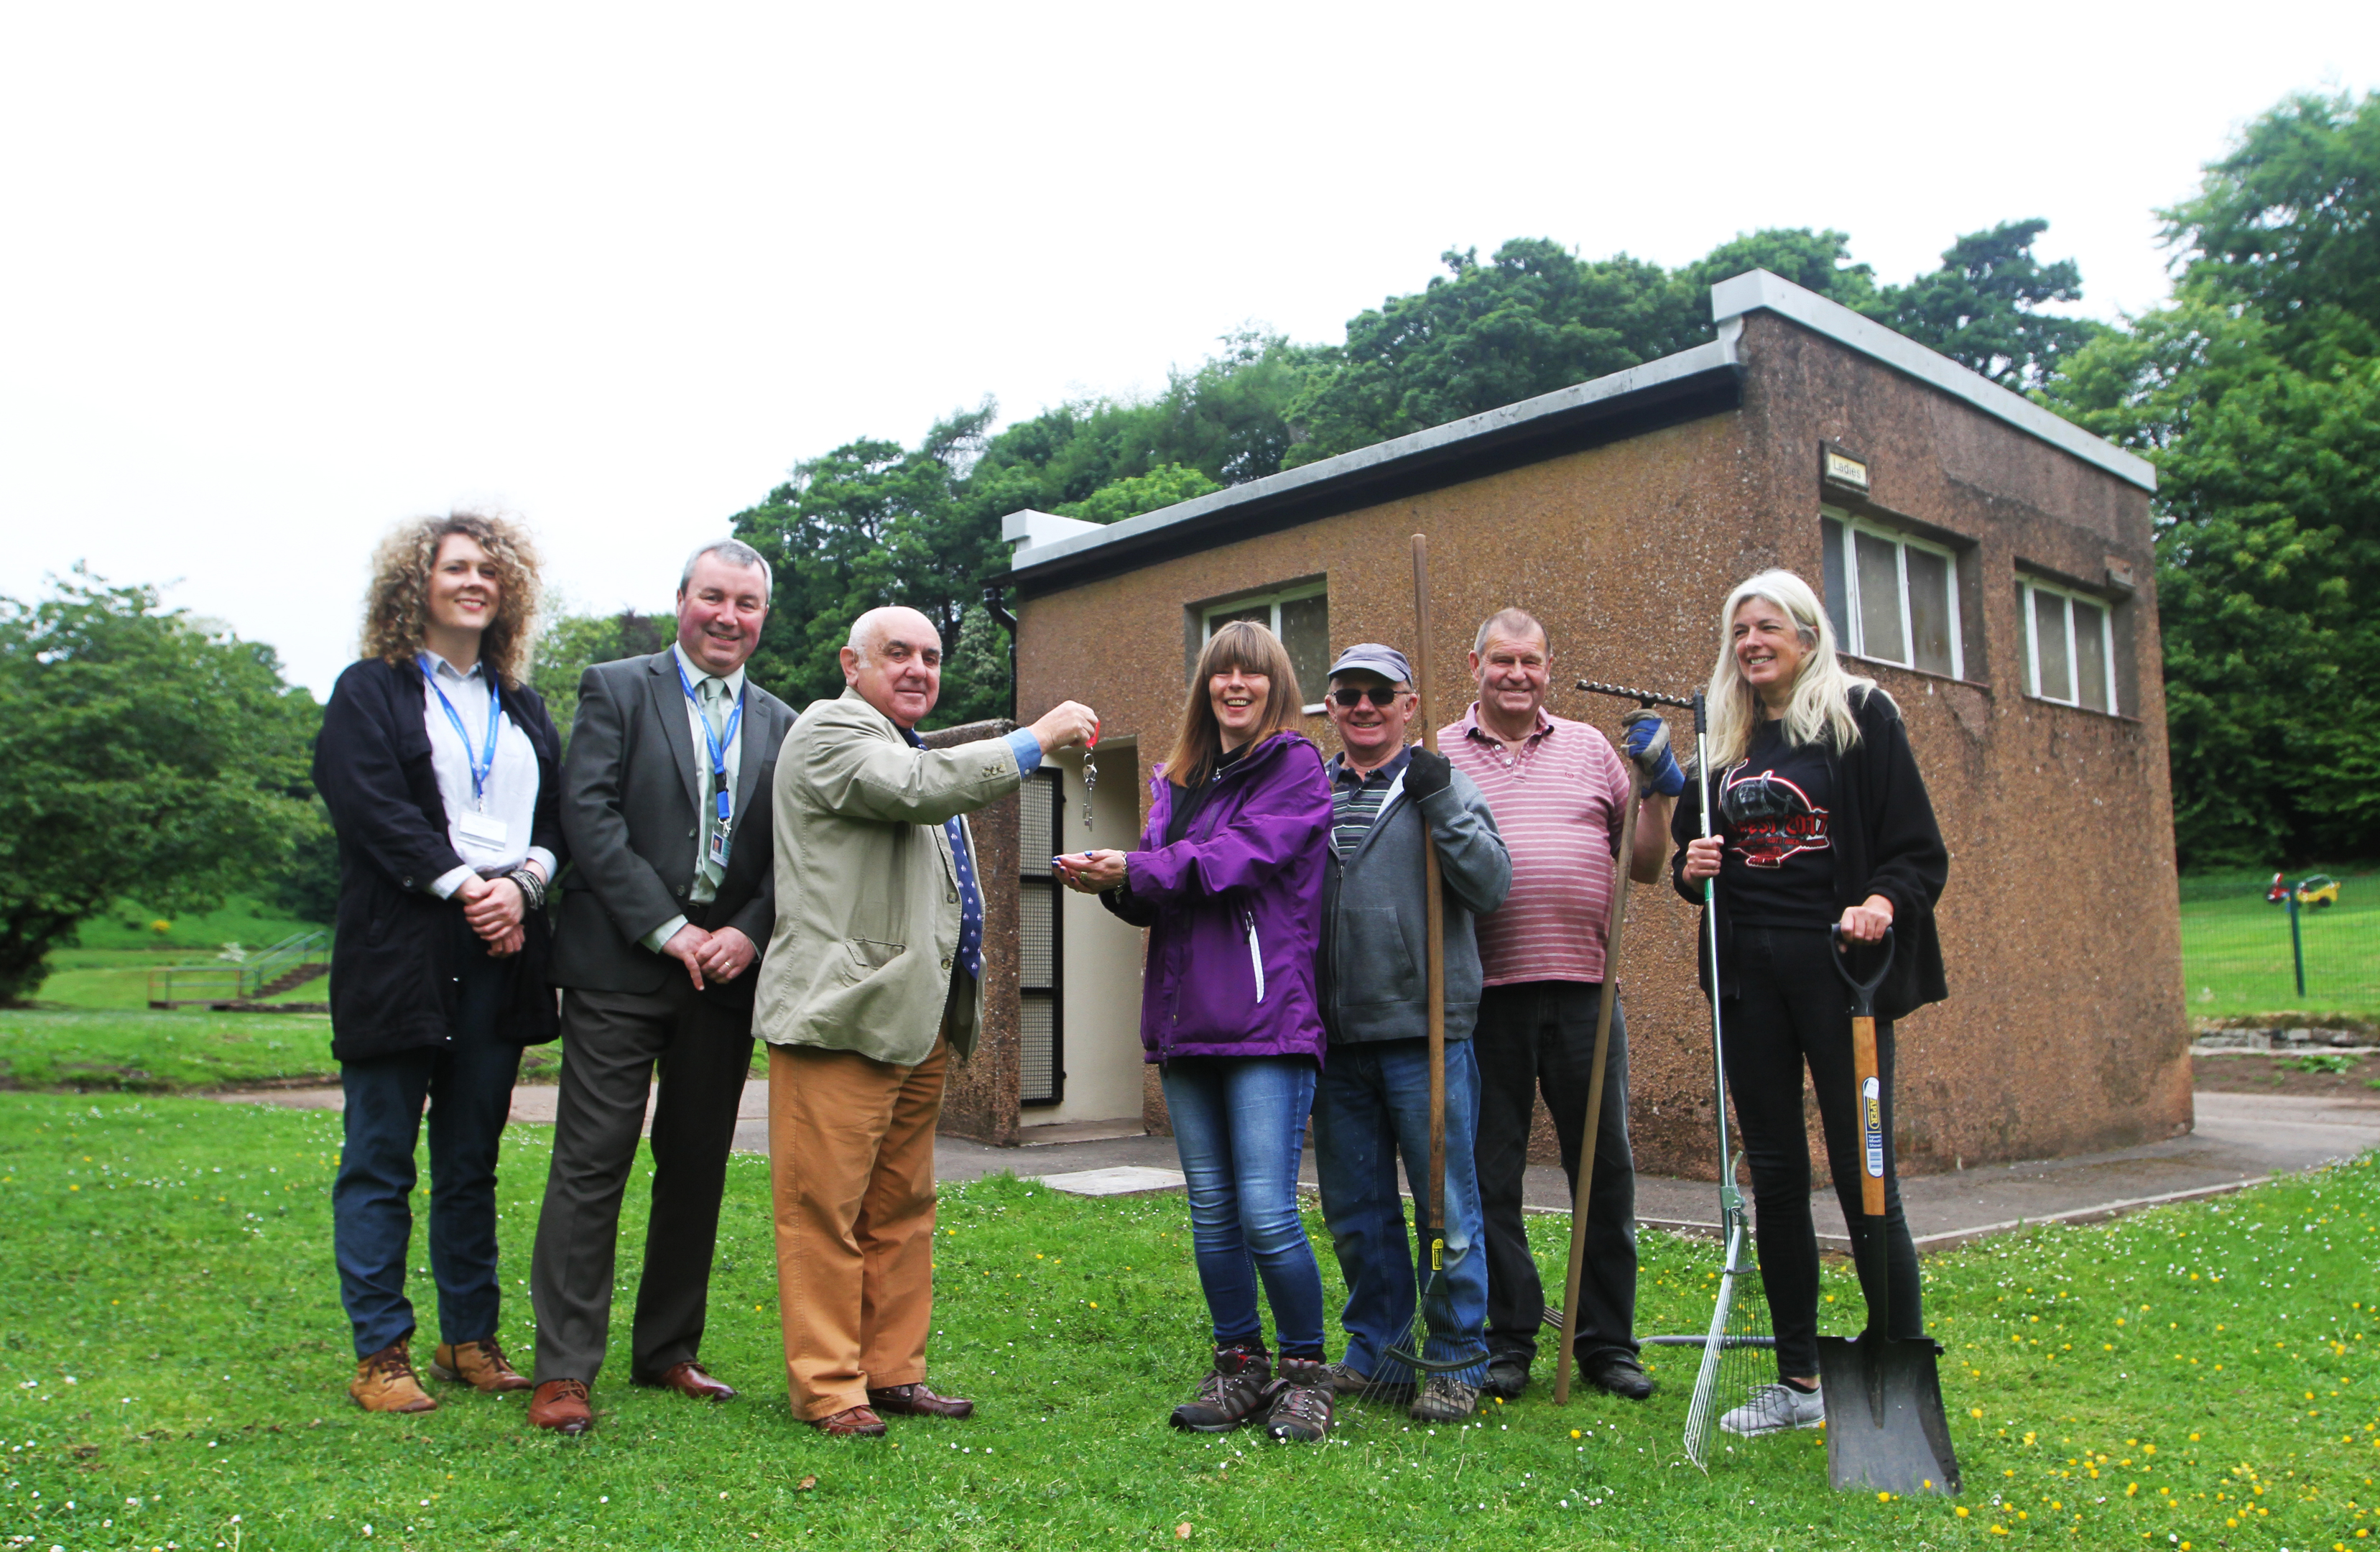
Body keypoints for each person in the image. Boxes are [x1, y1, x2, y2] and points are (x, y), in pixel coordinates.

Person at [756, 606, 1098, 1438]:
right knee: (824, 1213)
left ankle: (893, 1374)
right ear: (851, 663)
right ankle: (832, 1387)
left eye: (931, 656)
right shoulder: (832, 731)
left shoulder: (904, 745)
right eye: (897, 653)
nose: (918, 668)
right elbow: (921, 792)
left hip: (914, 1022)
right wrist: (1038, 735)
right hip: (839, 1017)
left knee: (902, 1211)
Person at [523, 539, 799, 1436]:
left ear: (763, 617)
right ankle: (565, 1369)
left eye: (747, 604)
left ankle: (669, 1350)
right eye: (713, 598)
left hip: (722, 980)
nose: (728, 617)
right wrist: (668, 926)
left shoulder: (782, 722)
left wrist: (744, 934)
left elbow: (794, 853)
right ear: (682, 599)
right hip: (621, 965)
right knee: (591, 1163)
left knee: (695, 1168)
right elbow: (587, 815)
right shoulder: (617, 687)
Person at [1670, 569, 1948, 1437]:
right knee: (1778, 1180)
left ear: (1806, 634)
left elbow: (1916, 851)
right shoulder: (1724, 736)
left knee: (1867, 1174)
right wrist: (1692, 870)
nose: (1752, 642)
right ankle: (1799, 1381)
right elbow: (1693, 853)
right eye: (1740, 630)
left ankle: (1891, 1359)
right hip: (1749, 983)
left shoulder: (1860, 716)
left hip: (1843, 980)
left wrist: (1881, 903)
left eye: (1769, 627)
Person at [1054, 620, 1337, 1443]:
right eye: (1221, 673)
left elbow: (1236, 858)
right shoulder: (1175, 779)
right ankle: (1239, 1366)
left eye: (1252, 673)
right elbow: (1157, 890)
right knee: (1212, 1210)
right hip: (1185, 1022)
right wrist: (1108, 882)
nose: (1235, 685)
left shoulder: (1295, 768)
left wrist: (1139, 868)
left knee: (1267, 1212)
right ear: (1204, 686)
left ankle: (1306, 1373)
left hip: (1266, 1023)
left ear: (1276, 686)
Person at [313, 511, 564, 1413]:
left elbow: (555, 823)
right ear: (415, 582)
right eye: (456, 567)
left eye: (490, 572)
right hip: (400, 953)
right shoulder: (369, 692)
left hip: (502, 951)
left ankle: (470, 1339)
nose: (474, 582)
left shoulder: (522, 705)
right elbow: (370, 808)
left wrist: (523, 887)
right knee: (380, 1158)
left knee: (471, 1158)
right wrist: (467, 887)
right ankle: (381, 1352)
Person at [1440, 608, 1680, 1403]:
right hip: (1485, 999)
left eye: (1531, 662)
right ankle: (1509, 1339)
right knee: (1490, 1176)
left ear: (1548, 667)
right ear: (1474, 663)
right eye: (1502, 660)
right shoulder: (1436, 754)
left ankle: (1607, 1344)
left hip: (1586, 992)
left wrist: (1659, 791)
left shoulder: (1588, 748)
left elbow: (1644, 868)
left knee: (1602, 1172)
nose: (1517, 674)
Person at [1306, 644, 1509, 1423]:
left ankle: (1456, 1360)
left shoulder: (1443, 784)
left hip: (1426, 1033)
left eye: (1379, 695)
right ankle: (1379, 1355)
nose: (1363, 707)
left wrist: (1440, 806)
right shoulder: (1307, 793)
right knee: (1356, 1211)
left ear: (1408, 706)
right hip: (1334, 1036)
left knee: (1447, 1211)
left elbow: (1491, 886)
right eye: (1347, 694)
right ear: (1330, 707)